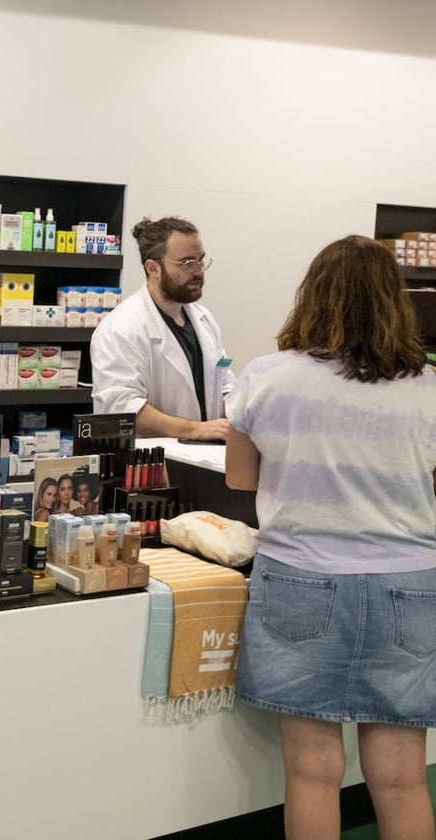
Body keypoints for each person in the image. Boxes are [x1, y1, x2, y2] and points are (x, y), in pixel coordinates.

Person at [224, 235, 436, 840]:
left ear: (311, 296)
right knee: (401, 780)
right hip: (411, 588)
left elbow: (241, 478)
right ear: (397, 303)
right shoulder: (429, 388)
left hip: (300, 581)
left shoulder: (266, 378)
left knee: (313, 774)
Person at [91, 216, 234, 441]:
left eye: (200, 260)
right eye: (187, 263)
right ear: (153, 268)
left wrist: (246, 412)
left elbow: (224, 381)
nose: (198, 271)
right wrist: (193, 429)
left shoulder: (203, 319)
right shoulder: (122, 329)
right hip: (150, 463)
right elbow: (123, 408)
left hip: (203, 455)